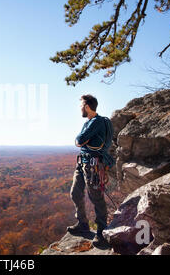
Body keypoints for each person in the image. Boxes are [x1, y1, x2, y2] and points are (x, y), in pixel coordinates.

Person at [67, 94, 114, 246]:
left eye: (81, 105)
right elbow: (81, 141)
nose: (80, 108)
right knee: (75, 192)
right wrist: (82, 141)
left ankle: (101, 230)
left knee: (96, 197)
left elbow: (79, 140)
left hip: (93, 165)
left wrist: (81, 141)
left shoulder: (96, 122)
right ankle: (83, 224)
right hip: (83, 163)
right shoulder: (90, 122)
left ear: (87, 106)